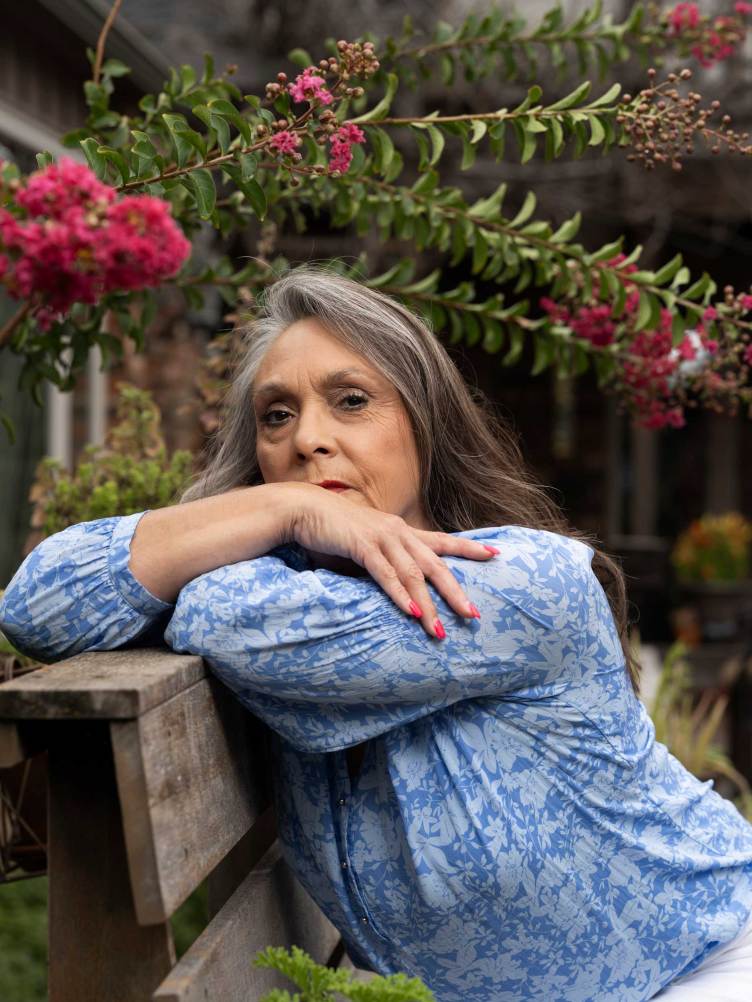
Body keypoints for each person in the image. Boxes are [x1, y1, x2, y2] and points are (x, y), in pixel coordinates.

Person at [2, 263, 752, 1002]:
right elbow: (36, 607)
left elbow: (229, 625)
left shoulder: (520, 582)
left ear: (426, 425)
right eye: (277, 415)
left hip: (705, 963)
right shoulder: (281, 568)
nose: (308, 441)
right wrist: (281, 512)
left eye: (351, 400)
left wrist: (252, 527)